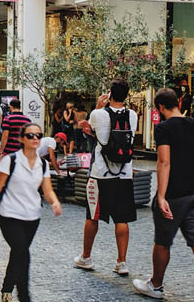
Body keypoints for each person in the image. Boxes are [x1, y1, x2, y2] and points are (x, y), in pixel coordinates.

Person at [133, 88, 194, 302]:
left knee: (163, 241)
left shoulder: (163, 128)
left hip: (174, 194)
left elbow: (164, 161)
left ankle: (156, 284)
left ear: (161, 108)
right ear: (178, 102)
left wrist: (160, 195)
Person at [74, 78, 138, 276]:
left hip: (100, 174)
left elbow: (93, 131)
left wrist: (99, 106)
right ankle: (121, 261)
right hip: (124, 174)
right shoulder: (133, 115)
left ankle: (86, 257)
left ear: (110, 93)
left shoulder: (98, 114)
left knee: (92, 215)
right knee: (122, 219)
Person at [0, 122, 63, 302]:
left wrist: (55, 202)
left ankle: (6, 289)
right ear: (21, 139)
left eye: (38, 136)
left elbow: (47, 190)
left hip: (32, 216)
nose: (35, 139)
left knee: (18, 252)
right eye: (30, 135)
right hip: (9, 215)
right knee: (22, 252)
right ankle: (24, 297)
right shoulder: (10, 161)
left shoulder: (42, 164)